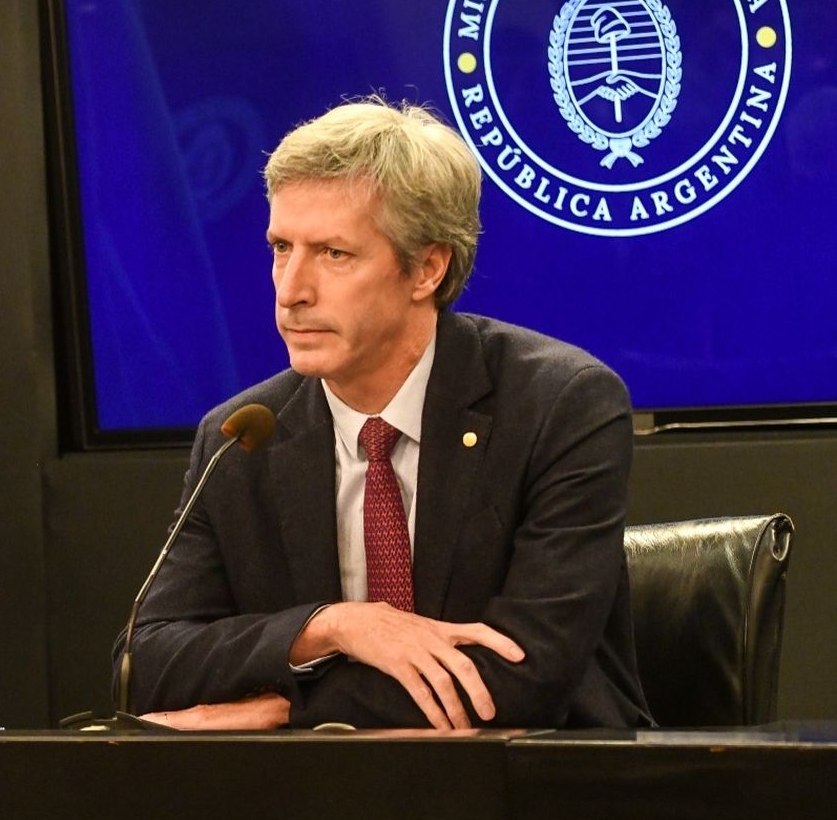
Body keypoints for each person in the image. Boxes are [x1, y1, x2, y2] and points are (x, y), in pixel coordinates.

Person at [121, 100, 650, 730]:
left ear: (426, 268)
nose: (291, 290)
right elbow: (144, 662)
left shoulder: (559, 406)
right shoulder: (241, 435)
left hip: (533, 786)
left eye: (334, 254)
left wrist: (287, 709)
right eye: (281, 247)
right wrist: (331, 627)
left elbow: (520, 679)